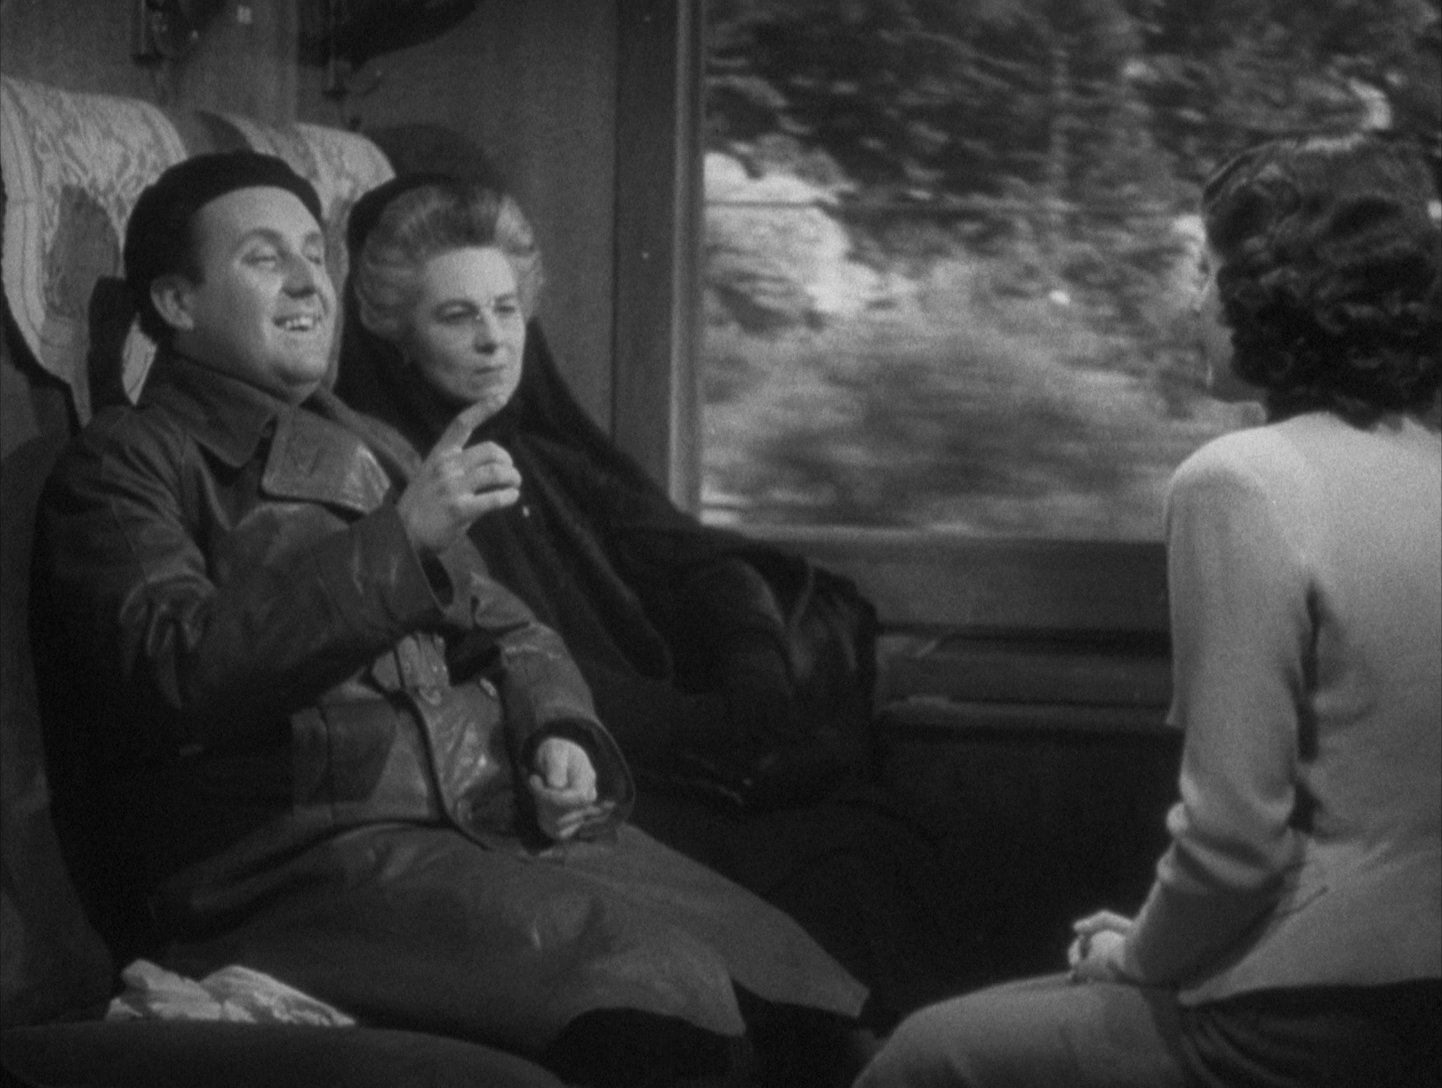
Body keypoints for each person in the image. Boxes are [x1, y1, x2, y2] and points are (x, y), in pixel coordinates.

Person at [30, 150, 871, 1088]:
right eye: (265, 258)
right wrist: (401, 540)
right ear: (177, 303)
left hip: (478, 820)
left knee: (797, 988)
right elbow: (176, 669)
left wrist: (557, 732)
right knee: (662, 1001)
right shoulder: (125, 463)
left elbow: (513, 632)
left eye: (314, 252)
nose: (309, 281)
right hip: (287, 869)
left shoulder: (365, 442)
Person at [853, 130, 1442, 1087]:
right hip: (1415, 1014)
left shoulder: (1242, 483)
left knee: (921, 1056)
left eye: (1209, 271)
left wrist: (1137, 958)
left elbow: (1233, 846)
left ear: (1279, 292)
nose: (1194, 301)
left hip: (1303, 1021)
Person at [337, 173, 970, 1030]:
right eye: (457, 317)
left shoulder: (542, 451)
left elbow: (700, 562)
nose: (493, 340)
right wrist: (712, 726)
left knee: (878, 837)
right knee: (837, 870)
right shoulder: (402, 486)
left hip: (667, 751)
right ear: (397, 337)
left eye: (507, 310)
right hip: (559, 783)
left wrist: (751, 664)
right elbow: (495, 672)